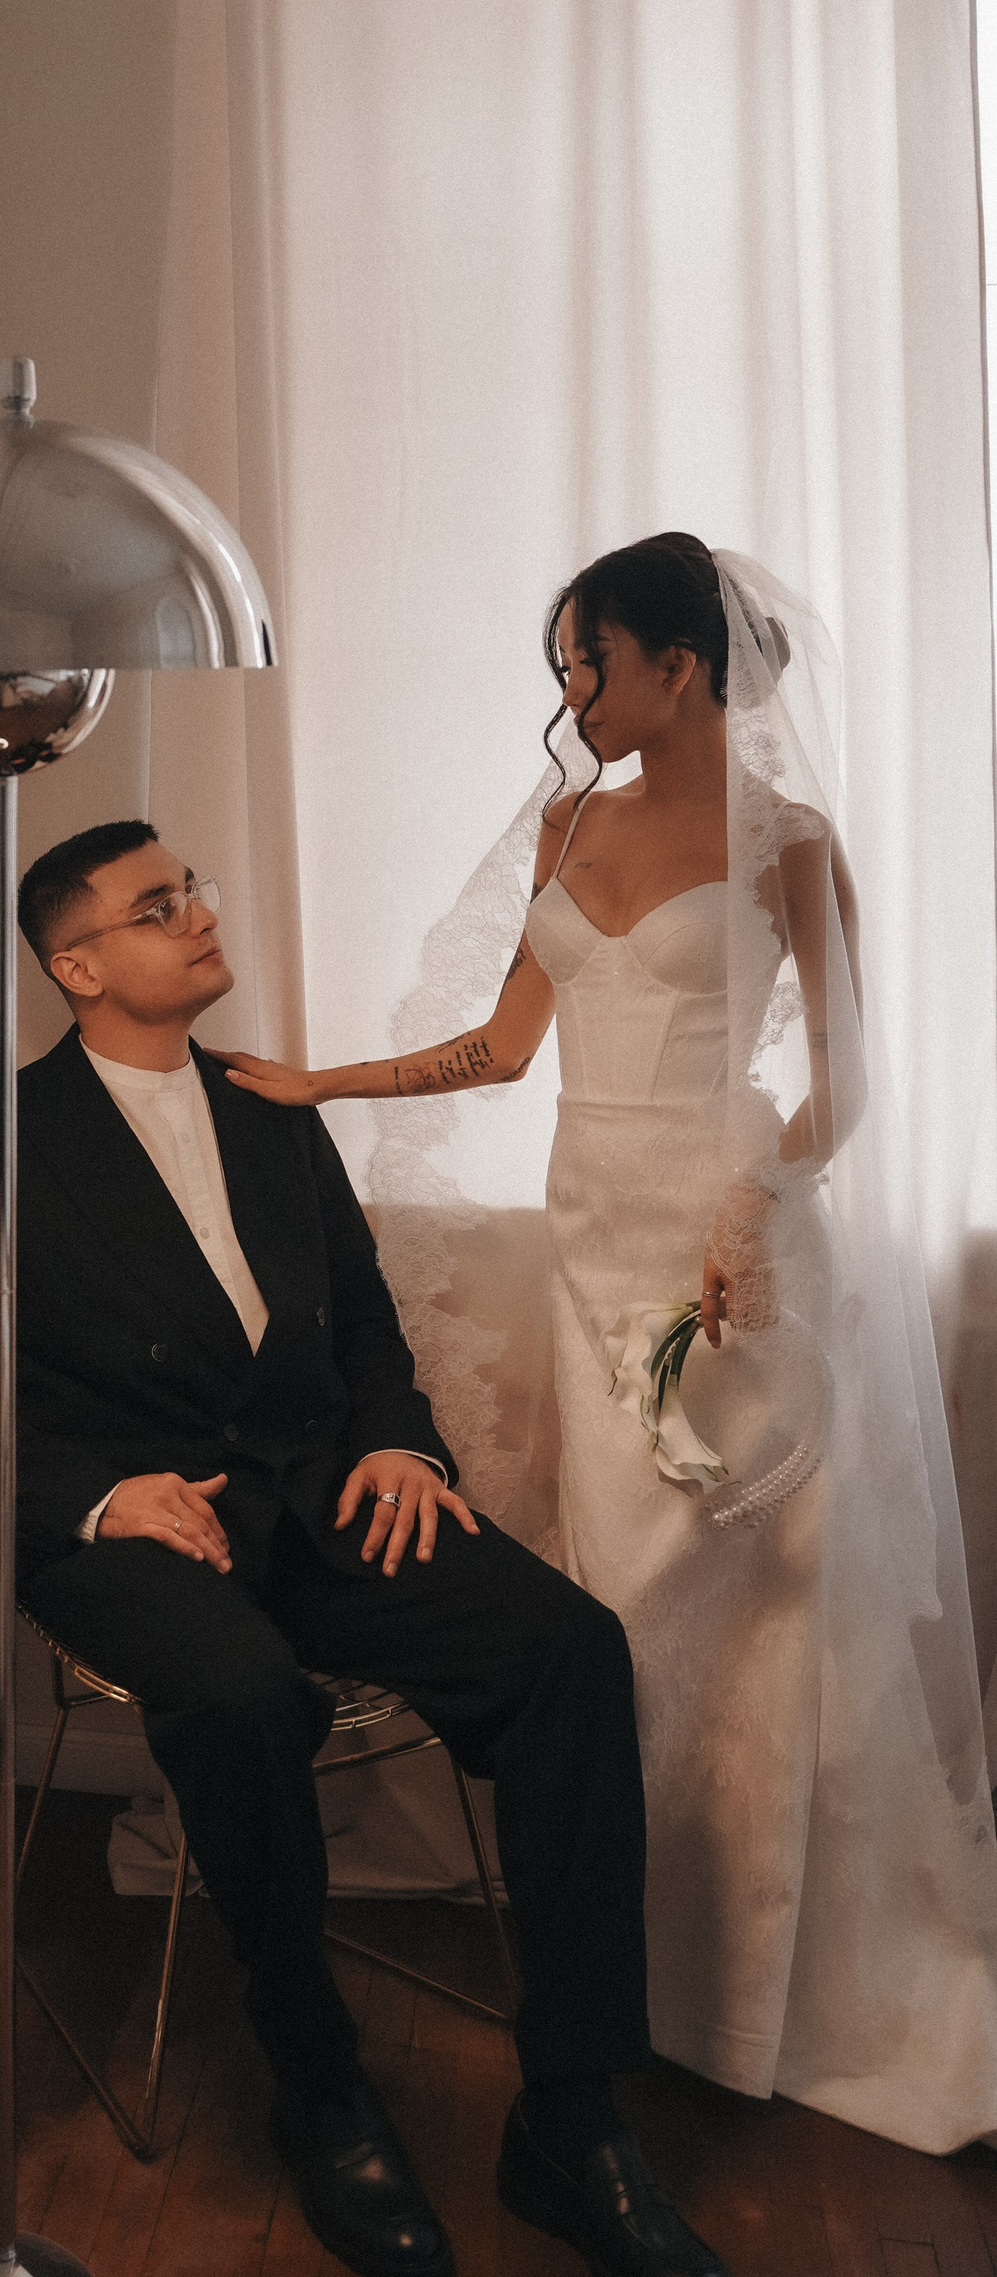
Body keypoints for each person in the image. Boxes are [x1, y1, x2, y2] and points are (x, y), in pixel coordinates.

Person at [0, 819, 728, 2277]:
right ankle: (320, 2085)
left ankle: (574, 2120)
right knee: (246, 1698)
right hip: (136, 1525)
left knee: (570, 1650)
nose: (198, 914)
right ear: (77, 966)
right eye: (155, 907)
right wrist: (97, 1495)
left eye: (190, 889)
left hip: (325, 1493)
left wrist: (402, 1444)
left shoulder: (272, 1110)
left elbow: (368, 1325)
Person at [224, 534, 997, 2153]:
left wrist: (757, 1203)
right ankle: (621, 1972)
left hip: (725, 1252)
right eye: (565, 667)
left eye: (587, 663)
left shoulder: (793, 843)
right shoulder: (569, 826)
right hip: (590, 1239)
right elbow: (508, 1046)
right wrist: (322, 1084)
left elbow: (851, 1082)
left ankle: (750, 1987)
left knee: (743, 1616)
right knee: (612, 1615)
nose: (569, 696)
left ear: (678, 667)